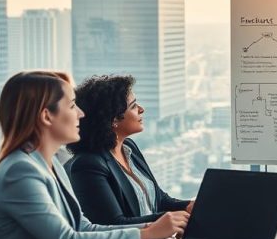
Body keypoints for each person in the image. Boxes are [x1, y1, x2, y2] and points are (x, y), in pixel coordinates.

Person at [0, 71, 188, 239]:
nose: (80, 114)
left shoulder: (50, 164)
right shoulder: (19, 171)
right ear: (46, 116)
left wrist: (151, 227)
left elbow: (83, 227)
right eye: (71, 106)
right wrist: (147, 234)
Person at [66, 74, 193, 225]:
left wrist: (187, 206)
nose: (141, 109)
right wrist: (172, 218)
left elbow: (159, 199)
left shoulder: (129, 147)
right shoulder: (88, 164)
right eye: (133, 106)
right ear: (114, 119)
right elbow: (112, 223)